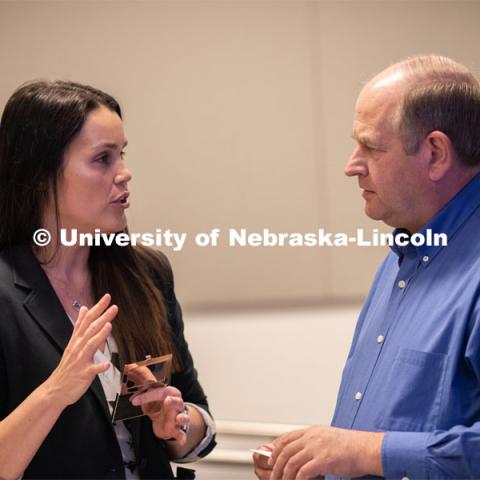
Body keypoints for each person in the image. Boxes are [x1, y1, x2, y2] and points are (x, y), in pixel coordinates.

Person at [253, 54, 480, 479]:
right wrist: (321, 464)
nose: (351, 165)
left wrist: (366, 452)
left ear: (435, 153)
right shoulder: (401, 260)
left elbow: (371, 448)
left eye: (371, 146)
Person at [0, 80, 216, 479]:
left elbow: (197, 422)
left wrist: (176, 422)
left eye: (122, 155)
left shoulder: (148, 273)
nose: (125, 174)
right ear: (41, 173)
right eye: (103, 159)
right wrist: (54, 392)